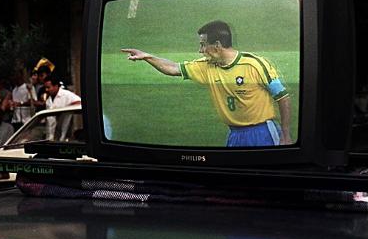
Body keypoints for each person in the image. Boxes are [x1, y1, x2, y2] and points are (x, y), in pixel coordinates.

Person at [121, 20, 292, 147]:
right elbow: (173, 68)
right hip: (234, 135)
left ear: (217, 45)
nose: (200, 50)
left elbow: (283, 97)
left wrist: (285, 135)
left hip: (262, 133)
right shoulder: (206, 66)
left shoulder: (254, 65)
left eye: (203, 45)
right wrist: (148, 57)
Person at [44, 75, 82, 141]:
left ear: (56, 86)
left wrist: (67, 108)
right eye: (46, 87)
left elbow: (80, 102)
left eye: (48, 87)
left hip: (63, 137)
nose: (46, 90)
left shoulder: (66, 95)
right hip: (50, 136)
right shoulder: (48, 99)